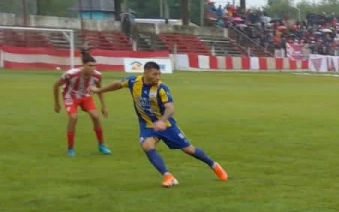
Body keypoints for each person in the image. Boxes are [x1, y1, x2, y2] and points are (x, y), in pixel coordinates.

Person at [91, 61, 227, 188]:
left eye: (159, 74)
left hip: (167, 125)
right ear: (146, 73)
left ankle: (215, 166)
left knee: (188, 149)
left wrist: (162, 120)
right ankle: (168, 176)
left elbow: (170, 107)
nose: (158, 77)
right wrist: (99, 90)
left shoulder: (161, 88)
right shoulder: (133, 82)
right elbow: (117, 84)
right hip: (147, 125)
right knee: (147, 145)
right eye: (154, 74)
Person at [53, 51, 110, 156]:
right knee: (73, 118)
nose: (93, 68)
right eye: (90, 66)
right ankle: (70, 148)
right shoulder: (71, 74)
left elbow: (99, 90)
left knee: (96, 116)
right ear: (83, 65)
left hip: (85, 96)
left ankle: (101, 145)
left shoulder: (97, 76)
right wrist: (57, 104)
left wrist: (104, 106)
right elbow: (56, 85)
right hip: (70, 96)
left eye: (94, 66)